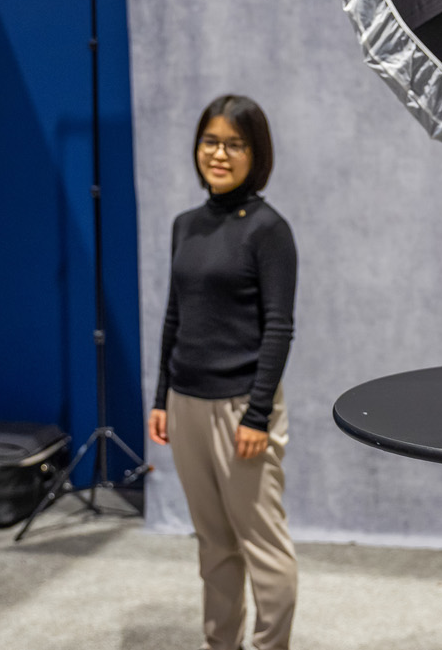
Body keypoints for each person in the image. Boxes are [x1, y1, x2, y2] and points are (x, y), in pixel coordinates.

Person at [148, 94, 299, 650]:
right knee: (213, 545)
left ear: (255, 154)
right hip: (187, 404)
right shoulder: (185, 225)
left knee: (263, 546)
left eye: (235, 144)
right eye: (211, 141)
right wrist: (161, 397)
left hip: (243, 410)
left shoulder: (268, 229)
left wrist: (258, 413)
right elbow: (175, 315)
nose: (220, 153)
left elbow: (279, 328)